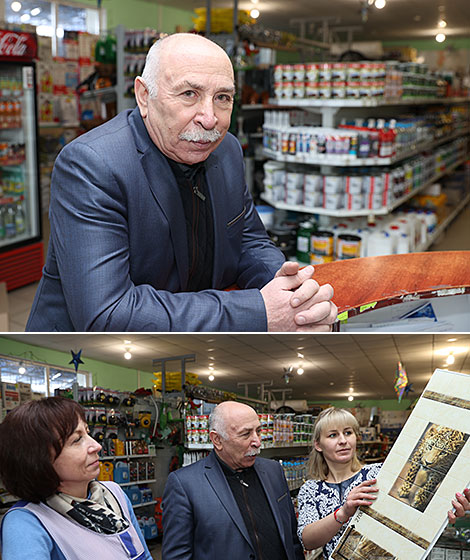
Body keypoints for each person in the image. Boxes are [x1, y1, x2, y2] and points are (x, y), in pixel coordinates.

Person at [26, 33, 336, 334]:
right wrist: (259, 312)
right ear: (144, 96)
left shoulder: (225, 149)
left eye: (223, 98)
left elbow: (247, 242)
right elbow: (107, 315)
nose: (210, 118)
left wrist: (292, 295)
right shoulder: (93, 165)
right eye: (189, 94)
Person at [0, 398, 161, 560]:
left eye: (87, 433)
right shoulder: (27, 523)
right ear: (38, 459)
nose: (96, 445)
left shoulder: (114, 495)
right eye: (77, 440)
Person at [296, 406, 470, 560]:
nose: (343, 440)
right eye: (333, 435)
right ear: (318, 444)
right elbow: (308, 540)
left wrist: (447, 512)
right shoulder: (311, 489)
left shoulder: (380, 474)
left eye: (348, 433)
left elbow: (414, 518)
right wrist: (342, 513)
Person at [162, 401, 312, 560]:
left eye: (258, 431)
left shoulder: (273, 472)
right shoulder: (185, 484)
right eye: (245, 434)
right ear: (217, 440)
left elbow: (290, 540)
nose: (257, 441)